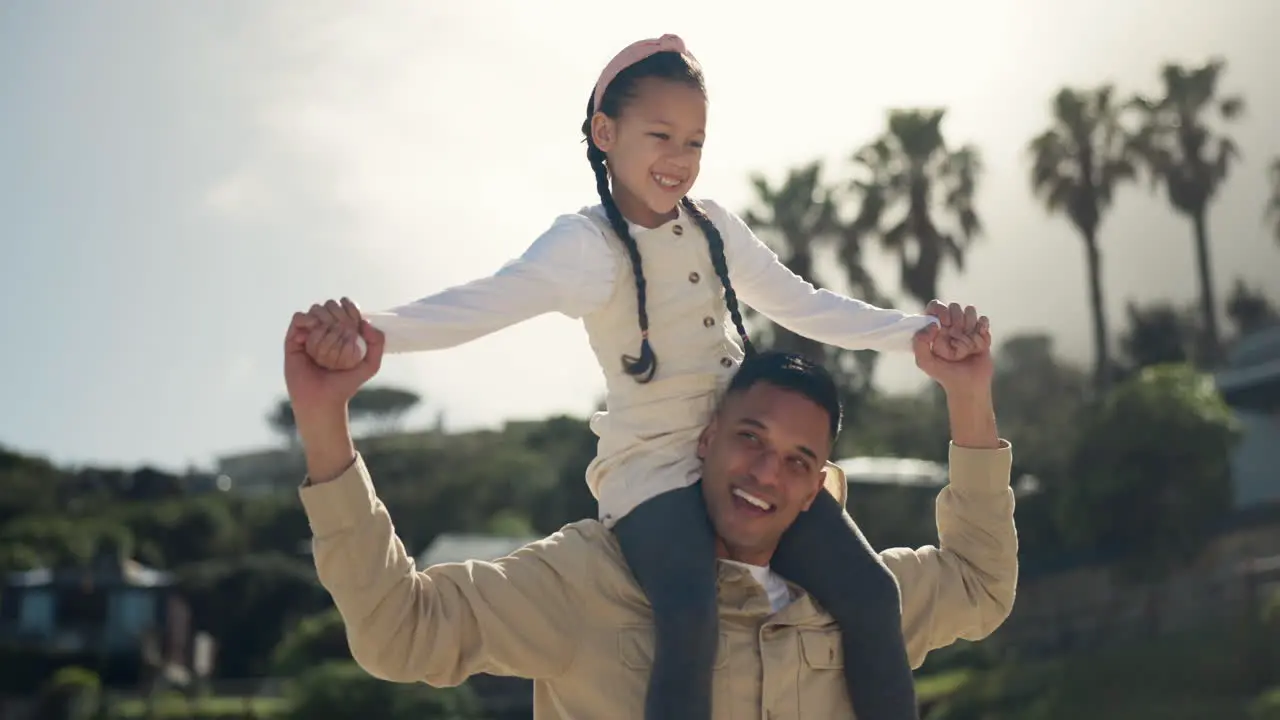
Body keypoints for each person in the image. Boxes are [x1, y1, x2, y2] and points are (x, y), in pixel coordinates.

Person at [294, 34, 990, 720]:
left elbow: (803, 303)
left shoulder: (714, 228)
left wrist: (920, 339)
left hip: (738, 460)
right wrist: (369, 333)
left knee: (872, 593)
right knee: (689, 613)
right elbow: (485, 303)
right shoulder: (585, 246)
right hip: (654, 474)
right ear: (605, 132)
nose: (678, 160)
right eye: (660, 135)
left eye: (694, 142)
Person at [284, 310, 1016, 719]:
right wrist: (325, 423)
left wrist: (967, 395)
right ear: (706, 440)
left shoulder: (860, 602)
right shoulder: (588, 579)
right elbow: (399, 634)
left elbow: (981, 586)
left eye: (797, 461)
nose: (766, 473)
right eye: (750, 439)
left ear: (817, 483)